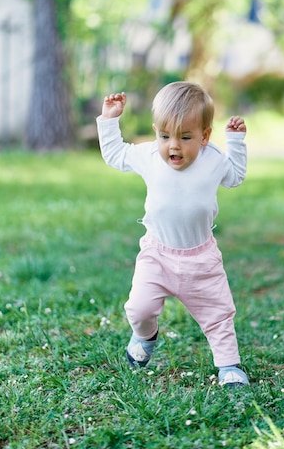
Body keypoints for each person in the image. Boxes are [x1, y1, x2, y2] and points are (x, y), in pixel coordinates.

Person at [96, 81, 249, 387]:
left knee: (218, 314)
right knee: (139, 308)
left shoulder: (214, 159)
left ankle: (229, 366)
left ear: (205, 136)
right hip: (158, 254)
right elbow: (115, 154)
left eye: (185, 137)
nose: (173, 146)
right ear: (156, 131)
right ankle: (145, 335)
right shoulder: (150, 155)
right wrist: (110, 119)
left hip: (201, 258)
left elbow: (236, 177)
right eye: (165, 136)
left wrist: (235, 141)